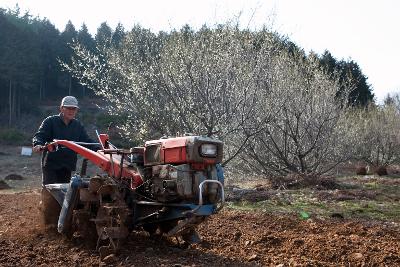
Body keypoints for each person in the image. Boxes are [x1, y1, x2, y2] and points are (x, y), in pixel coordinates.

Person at [32, 96, 95, 185]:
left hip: (67, 165)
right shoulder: (50, 121)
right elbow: (40, 135)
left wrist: (100, 148)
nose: (71, 111)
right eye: (68, 108)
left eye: (74, 109)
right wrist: (37, 144)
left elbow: (87, 141)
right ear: (61, 108)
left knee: (64, 192)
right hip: (51, 164)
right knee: (49, 191)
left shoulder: (77, 126)